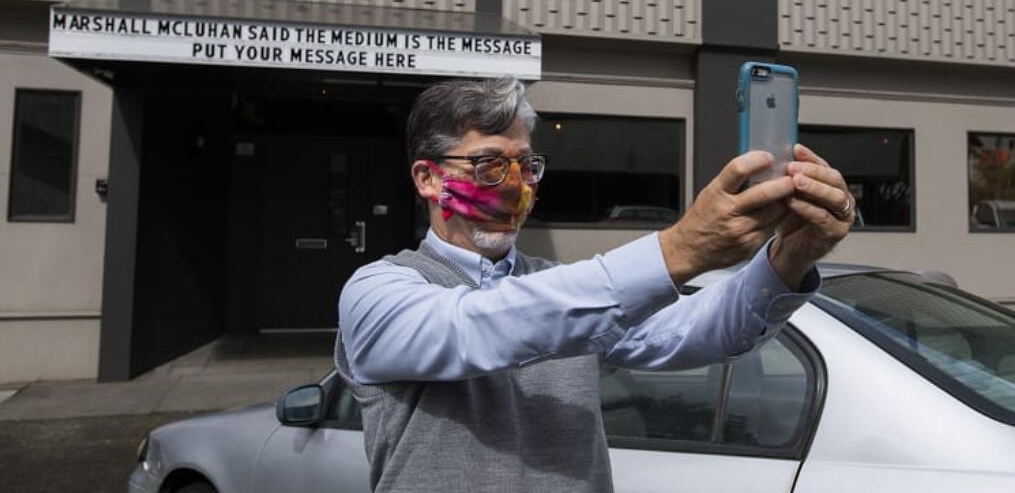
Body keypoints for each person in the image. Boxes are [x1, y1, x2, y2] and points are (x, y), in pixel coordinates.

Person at [336, 77, 854, 493]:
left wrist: (791, 256)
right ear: (428, 178)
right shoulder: (380, 291)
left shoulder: (567, 292)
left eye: (527, 164)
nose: (517, 184)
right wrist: (680, 249)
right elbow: (480, 327)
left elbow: (695, 332)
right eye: (491, 165)